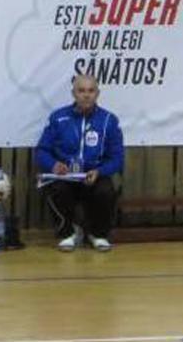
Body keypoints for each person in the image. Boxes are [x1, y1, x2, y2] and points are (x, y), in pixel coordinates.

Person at [35, 74, 124, 252]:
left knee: (106, 190)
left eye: (91, 91)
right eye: (81, 91)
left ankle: (97, 235)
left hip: (94, 175)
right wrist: (53, 165)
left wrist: (100, 171)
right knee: (56, 190)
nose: (86, 95)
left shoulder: (109, 120)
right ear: (73, 93)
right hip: (65, 175)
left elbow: (117, 158)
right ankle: (67, 234)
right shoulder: (58, 118)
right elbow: (41, 151)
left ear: (97, 93)